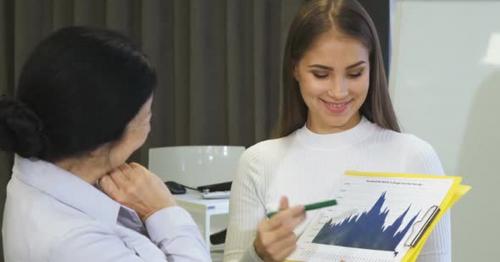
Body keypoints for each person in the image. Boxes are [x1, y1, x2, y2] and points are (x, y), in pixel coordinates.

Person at [223, 0, 451, 261]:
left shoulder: (415, 158)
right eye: (321, 74)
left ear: (372, 69)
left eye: (354, 74)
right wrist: (259, 254)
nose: (339, 91)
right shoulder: (258, 163)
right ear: (295, 69)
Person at [0, 26, 210, 262]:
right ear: (98, 144)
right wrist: (163, 212)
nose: (149, 128)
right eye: (146, 117)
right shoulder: (76, 244)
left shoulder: (38, 175)